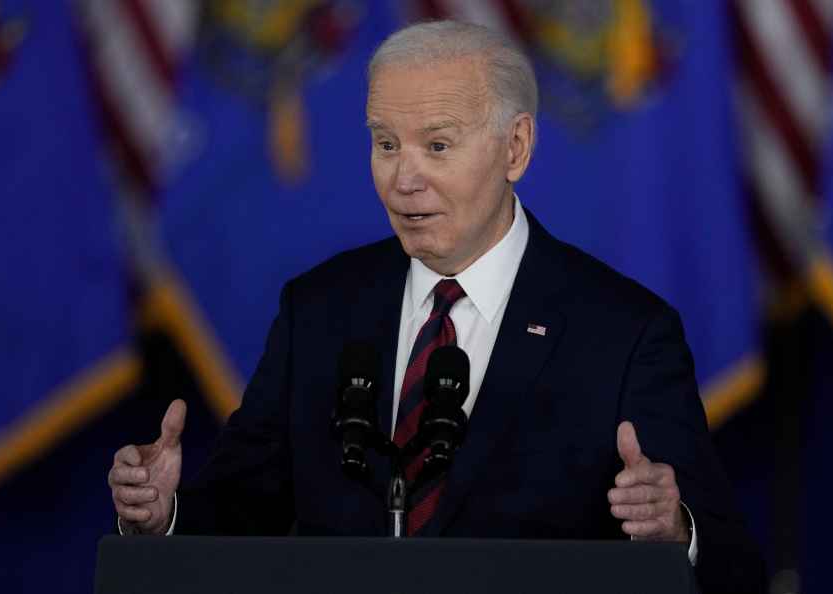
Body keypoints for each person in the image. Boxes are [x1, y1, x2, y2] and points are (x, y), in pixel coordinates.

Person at [107, 20, 763, 593]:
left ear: (516, 148)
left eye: (437, 146)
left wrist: (675, 530)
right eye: (386, 144)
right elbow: (237, 515)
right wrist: (162, 515)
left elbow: (735, 571)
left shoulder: (623, 335)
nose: (404, 178)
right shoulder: (320, 310)